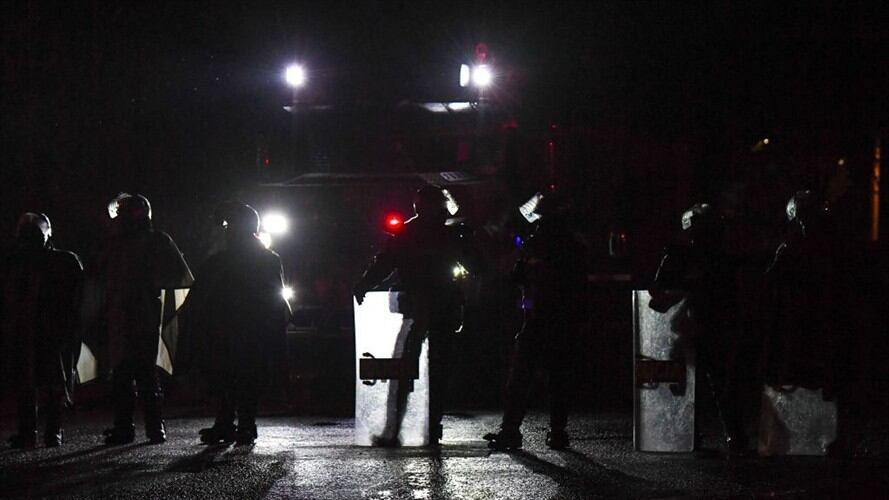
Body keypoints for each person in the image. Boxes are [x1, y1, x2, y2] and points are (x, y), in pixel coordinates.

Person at [353, 185, 477, 446]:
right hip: (441, 306)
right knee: (434, 370)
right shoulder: (449, 234)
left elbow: (385, 262)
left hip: (420, 307)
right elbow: (477, 265)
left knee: (405, 368)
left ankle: (397, 429)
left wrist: (365, 284)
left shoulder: (409, 233)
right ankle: (429, 428)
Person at [176, 202, 291, 446]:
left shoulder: (255, 260)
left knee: (240, 377)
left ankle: (241, 425)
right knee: (227, 377)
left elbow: (272, 296)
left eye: (230, 226)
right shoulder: (231, 260)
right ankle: (230, 424)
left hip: (244, 329)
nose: (226, 231)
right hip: (231, 330)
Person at [483, 189, 587, 451]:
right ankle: (557, 433)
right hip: (562, 320)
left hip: (540, 318)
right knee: (558, 379)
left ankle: (511, 432)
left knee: (521, 377)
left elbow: (517, 276)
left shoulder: (537, 243)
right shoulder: (574, 245)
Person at [648, 203, 751, 456]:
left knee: (715, 383)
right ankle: (717, 437)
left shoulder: (713, 257)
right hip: (693, 326)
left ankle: (719, 437)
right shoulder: (692, 255)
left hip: (705, 326)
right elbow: (659, 290)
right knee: (708, 383)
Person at [101, 193, 193, 444]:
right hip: (125, 314)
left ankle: (148, 427)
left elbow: (180, 277)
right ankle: (138, 428)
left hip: (141, 314)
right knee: (129, 373)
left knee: (138, 372)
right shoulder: (118, 244)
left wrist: (148, 285)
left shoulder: (154, 241)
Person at [0, 213, 82, 448]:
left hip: (50, 330)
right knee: (28, 380)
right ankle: (34, 432)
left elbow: (75, 297)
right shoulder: (16, 263)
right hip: (27, 329)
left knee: (51, 381)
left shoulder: (63, 261)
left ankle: (49, 432)